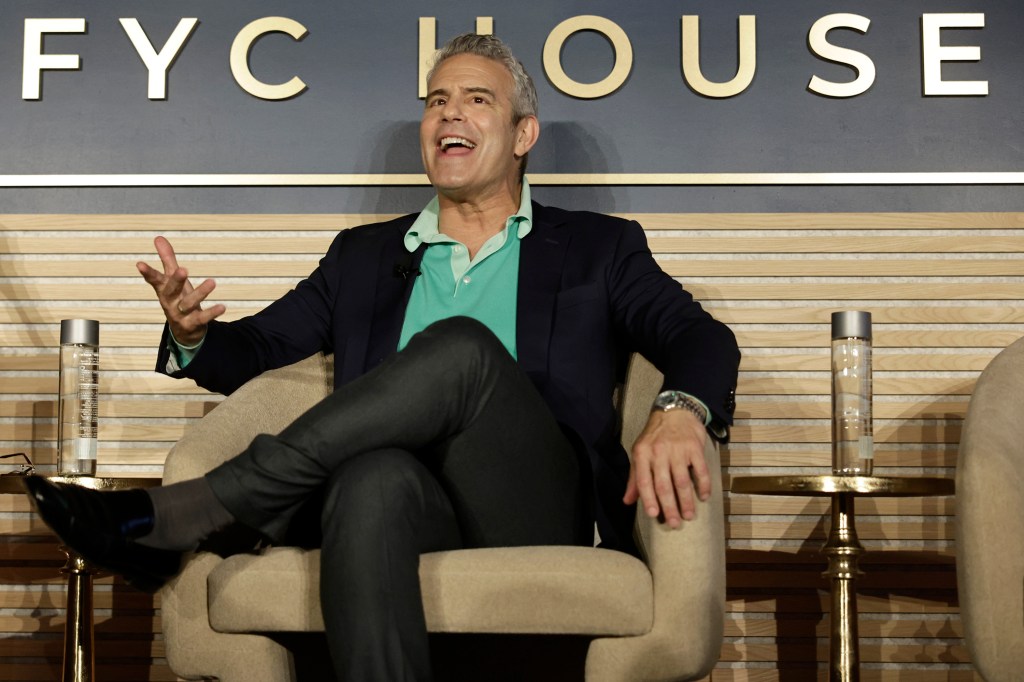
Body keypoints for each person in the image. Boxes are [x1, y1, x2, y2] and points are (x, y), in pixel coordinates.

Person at [25, 33, 739, 681]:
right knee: (370, 479)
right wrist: (190, 333)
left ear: (524, 134)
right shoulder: (362, 257)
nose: (449, 115)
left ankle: (209, 507)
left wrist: (678, 409)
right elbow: (256, 349)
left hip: (529, 501)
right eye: (437, 102)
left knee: (461, 347)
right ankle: (211, 510)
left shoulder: (596, 249)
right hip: (411, 499)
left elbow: (702, 338)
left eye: (476, 100)